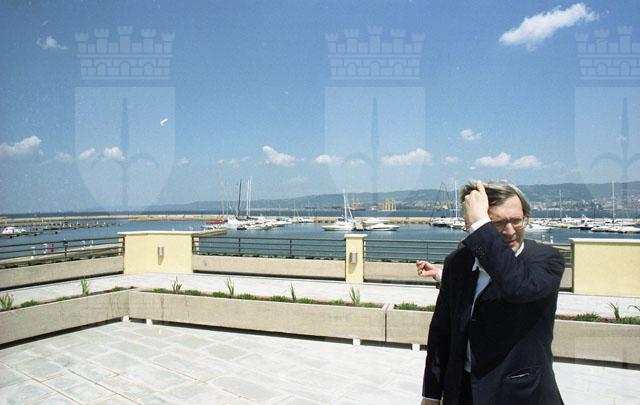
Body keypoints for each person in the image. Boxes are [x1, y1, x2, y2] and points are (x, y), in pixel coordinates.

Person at [417, 181, 565, 405]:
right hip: (462, 392)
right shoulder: (457, 262)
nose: (510, 231)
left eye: (517, 220)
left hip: (520, 395)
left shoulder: (546, 260)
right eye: (498, 223)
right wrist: (431, 394)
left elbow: (516, 287)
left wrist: (480, 224)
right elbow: (442, 332)